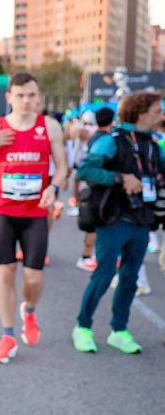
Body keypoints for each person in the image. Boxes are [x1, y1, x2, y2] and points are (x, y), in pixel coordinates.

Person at [0, 72, 67, 364]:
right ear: (9, 98)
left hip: (36, 212)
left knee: (33, 278)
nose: (26, 101)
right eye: (20, 96)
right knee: (5, 273)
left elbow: (63, 168)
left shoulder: (49, 126)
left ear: (38, 97)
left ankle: (28, 310)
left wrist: (53, 187)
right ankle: (7, 335)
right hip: (3, 211)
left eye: (31, 95)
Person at [72, 92, 165, 355]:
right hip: (114, 219)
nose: (161, 115)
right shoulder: (112, 141)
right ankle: (82, 326)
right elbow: (85, 170)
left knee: (130, 278)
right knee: (104, 275)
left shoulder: (151, 144)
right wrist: (120, 178)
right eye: (157, 110)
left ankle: (119, 330)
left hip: (141, 220)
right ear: (141, 112)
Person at [76, 107, 115, 272]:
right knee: (94, 226)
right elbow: (85, 169)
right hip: (96, 190)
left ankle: (90, 256)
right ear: (111, 121)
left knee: (97, 226)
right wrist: (114, 177)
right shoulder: (103, 139)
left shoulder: (96, 136)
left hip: (95, 189)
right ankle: (85, 257)